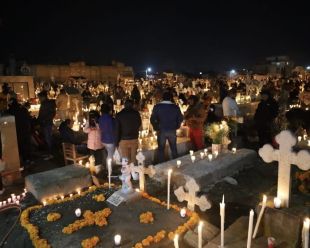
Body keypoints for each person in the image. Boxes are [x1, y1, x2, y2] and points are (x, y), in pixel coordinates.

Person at [151, 91, 183, 163]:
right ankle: (176, 163)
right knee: (174, 148)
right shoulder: (175, 107)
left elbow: (152, 119)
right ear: (171, 98)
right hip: (172, 130)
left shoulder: (157, 106)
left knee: (161, 149)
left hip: (161, 130)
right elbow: (180, 118)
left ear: (163, 98)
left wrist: (156, 127)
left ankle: (162, 165)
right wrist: (177, 126)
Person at [115, 99, 141, 163]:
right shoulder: (136, 113)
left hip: (123, 139)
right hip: (134, 138)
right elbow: (139, 124)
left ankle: (127, 172)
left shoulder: (119, 115)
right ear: (132, 105)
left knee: (125, 158)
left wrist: (117, 141)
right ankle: (134, 171)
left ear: (124, 105)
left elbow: (117, 129)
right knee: (133, 158)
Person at [8, 98, 32, 164]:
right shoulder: (22, 108)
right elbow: (28, 117)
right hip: (25, 128)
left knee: (20, 144)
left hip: (17, 129)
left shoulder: (10, 110)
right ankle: (27, 158)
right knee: (26, 143)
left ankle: (23, 159)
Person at [37, 91, 56, 160]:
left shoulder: (45, 104)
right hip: (48, 122)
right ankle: (49, 153)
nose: (39, 99)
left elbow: (41, 114)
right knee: (48, 138)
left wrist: (38, 121)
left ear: (43, 97)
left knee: (48, 138)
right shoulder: (50, 103)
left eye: (39, 98)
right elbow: (53, 113)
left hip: (46, 123)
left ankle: (51, 154)